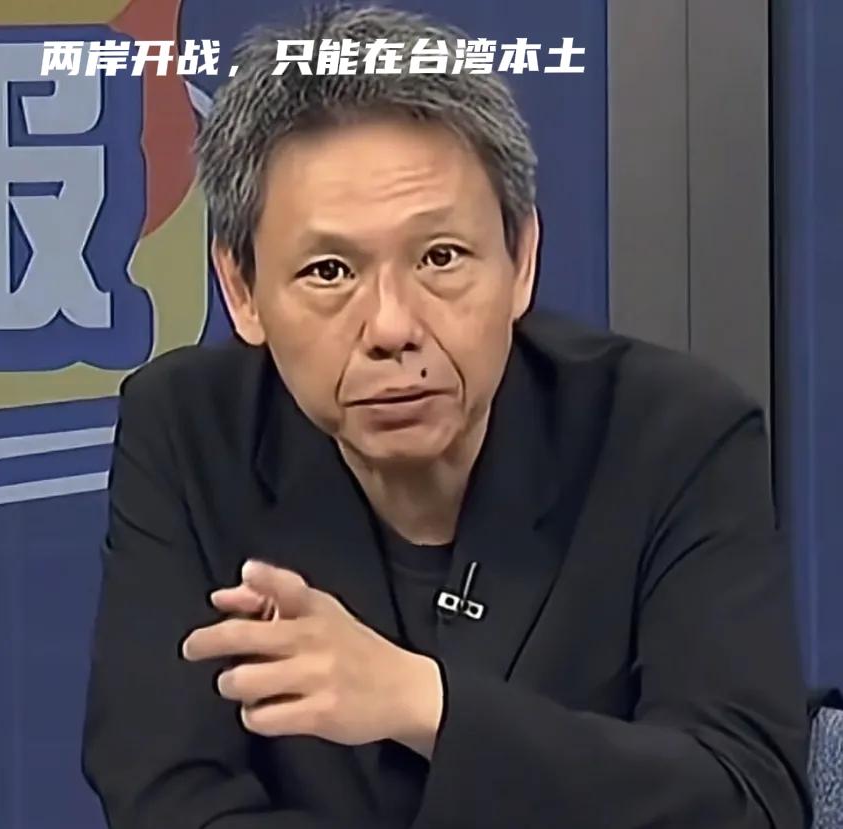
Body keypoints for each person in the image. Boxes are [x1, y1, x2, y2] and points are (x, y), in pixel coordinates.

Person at [81, 6, 812, 828]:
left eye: (440, 257)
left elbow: (747, 799)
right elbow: (166, 795)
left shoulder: (671, 434)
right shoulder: (188, 431)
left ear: (521, 258)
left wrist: (421, 701)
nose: (392, 326)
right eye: (329, 271)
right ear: (242, 290)